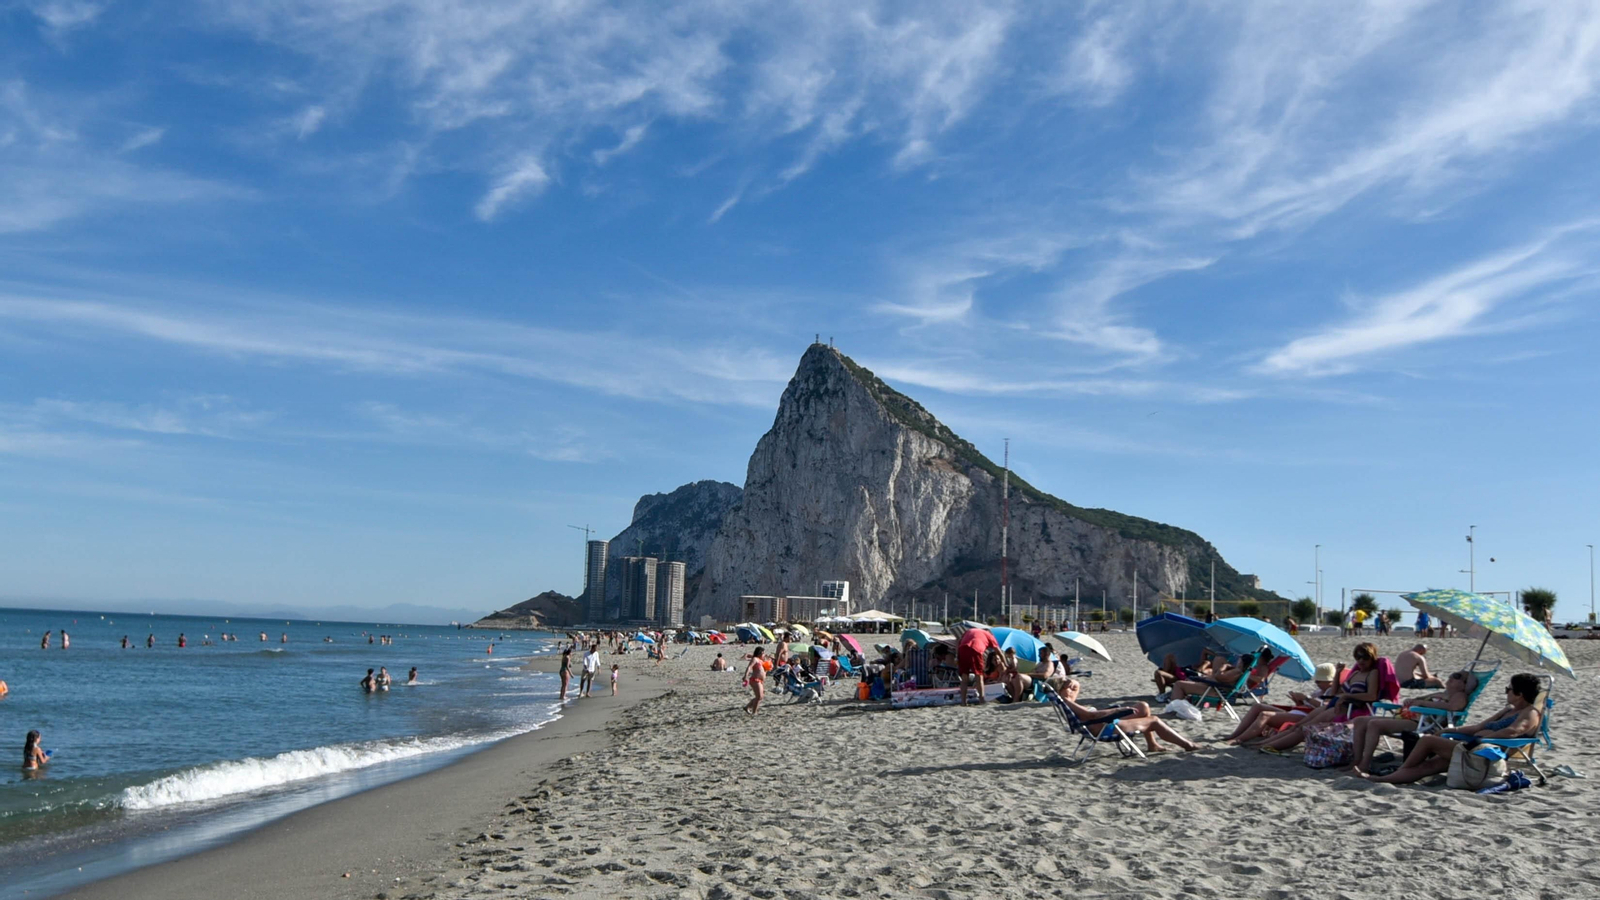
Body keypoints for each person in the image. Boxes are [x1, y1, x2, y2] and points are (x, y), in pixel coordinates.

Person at [1357, 673, 1544, 784]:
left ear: (1519, 694)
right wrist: (1452, 731)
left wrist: (1485, 737)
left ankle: (1396, 773)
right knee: (1429, 766)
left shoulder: (1530, 713)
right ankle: (1380, 780)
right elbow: (1477, 727)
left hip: (1487, 753)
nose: (1506, 693)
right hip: (1472, 748)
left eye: (1508, 689)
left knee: (1427, 740)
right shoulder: (1508, 710)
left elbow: (1514, 732)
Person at [1259, 643, 1387, 753]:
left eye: (1365, 657)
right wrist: (1338, 673)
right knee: (1297, 725)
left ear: (1372, 657)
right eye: (1358, 657)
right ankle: (1262, 744)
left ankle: (1267, 746)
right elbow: (1337, 691)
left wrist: (1346, 696)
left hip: (1352, 710)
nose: (1361, 661)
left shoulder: (1372, 673)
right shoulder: (1357, 673)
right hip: (1338, 705)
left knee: (1305, 728)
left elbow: (1372, 696)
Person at [1348, 671, 1475, 772]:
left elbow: (1454, 707)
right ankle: (1356, 760)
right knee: (1360, 721)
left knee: (1374, 724)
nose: (1452, 677)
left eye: (1458, 676)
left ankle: (1364, 764)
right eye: (1453, 674)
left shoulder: (1459, 696)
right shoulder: (1442, 693)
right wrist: (1411, 701)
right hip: (1407, 717)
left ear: (1464, 684)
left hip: (1422, 724)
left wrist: (1422, 703)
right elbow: (1417, 700)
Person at [1057, 679, 1199, 753]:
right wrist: (1117, 710)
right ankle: (1188, 745)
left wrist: (1071, 684)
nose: (1072, 689)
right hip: (1105, 727)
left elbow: (1078, 688)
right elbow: (1091, 715)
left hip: (1103, 723)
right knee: (1154, 720)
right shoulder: (1069, 702)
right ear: (1061, 691)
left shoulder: (1067, 701)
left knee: (1143, 707)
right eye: (1068, 688)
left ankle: (1152, 744)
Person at [1221, 663, 1339, 744]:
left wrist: (1306, 698)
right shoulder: (1319, 691)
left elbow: (1325, 707)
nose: (1317, 684)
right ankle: (1235, 734)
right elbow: (1309, 704)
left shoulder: (1333, 691)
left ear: (1330, 681)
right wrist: (1298, 700)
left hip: (1305, 717)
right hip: (1298, 711)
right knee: (1258, 706)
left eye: (1320, 681)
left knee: (1265, 715)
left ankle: (1239, 739)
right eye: (1317, 681)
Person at [956, 626, 1001, 705]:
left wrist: (957, 655)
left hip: (962, 648)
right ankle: (982, 700)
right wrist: (1006, 664)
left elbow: (959, 641)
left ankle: (963, 702)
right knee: (979, 676)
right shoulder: (989, 635)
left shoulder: (971, 630)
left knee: (964, 677)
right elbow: (999, 652)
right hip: (975, 650)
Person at [743, 646, 768, 715]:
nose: (764, 655)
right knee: (759, 696)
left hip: (760, 680)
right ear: (760, 653)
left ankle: (747, 707)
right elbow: (749, 667)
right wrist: (746, 676)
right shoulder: (755, 659)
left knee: (761, 696)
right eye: (763, 654)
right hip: (755, 680)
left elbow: (764, 671)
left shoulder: (761, 661)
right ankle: (754, 712)